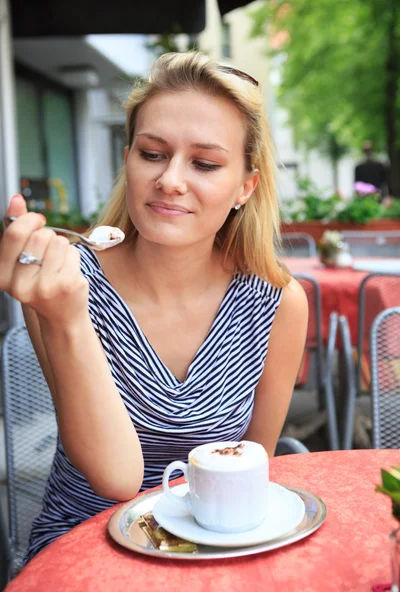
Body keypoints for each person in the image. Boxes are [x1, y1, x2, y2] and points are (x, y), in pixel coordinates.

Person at [0, 51, 308, 563]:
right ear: (128, 159)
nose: (170, 179)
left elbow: (252, 469)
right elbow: (116, 478)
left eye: (205, 163)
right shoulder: (64, 283)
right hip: (84, 548)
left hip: (212, 550)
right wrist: (69, 316)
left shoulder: (277, 303)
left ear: (244, 187)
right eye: (152, 153)